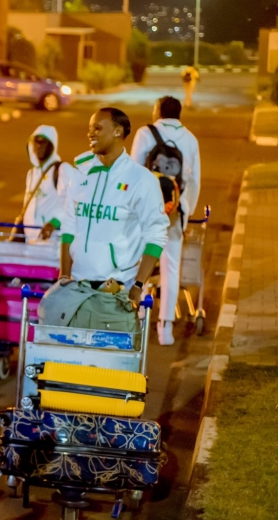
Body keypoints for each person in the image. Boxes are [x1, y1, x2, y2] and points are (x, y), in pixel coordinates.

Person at [53, 108, 169, 309]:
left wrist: (138, 285)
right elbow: (69, 227)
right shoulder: (81, 174)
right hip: (78, 286)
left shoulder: (141, 180)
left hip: (118, 290)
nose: (91, 134)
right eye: (90, 129)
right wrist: (64, 276)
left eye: (97, 128)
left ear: (117, 132)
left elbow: (156, 235)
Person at [130, 96, 201, 345]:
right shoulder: (190, 139)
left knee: (140, 264)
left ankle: (137, 316)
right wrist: (183, 214)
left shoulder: (145, 133)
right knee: (171, 268)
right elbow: (193, 181)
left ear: (158, 111)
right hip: (173, 214)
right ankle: (165, 328)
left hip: (144, 214)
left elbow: (133, 171)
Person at [18, 125, 71, 240]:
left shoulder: (61, 170)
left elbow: (72, 200)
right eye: (37, 142)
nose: (39, 146)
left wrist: (54, 222)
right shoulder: (32, 173)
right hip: (30, 241)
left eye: (44, 143)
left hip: (51, 242)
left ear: (52, 145)